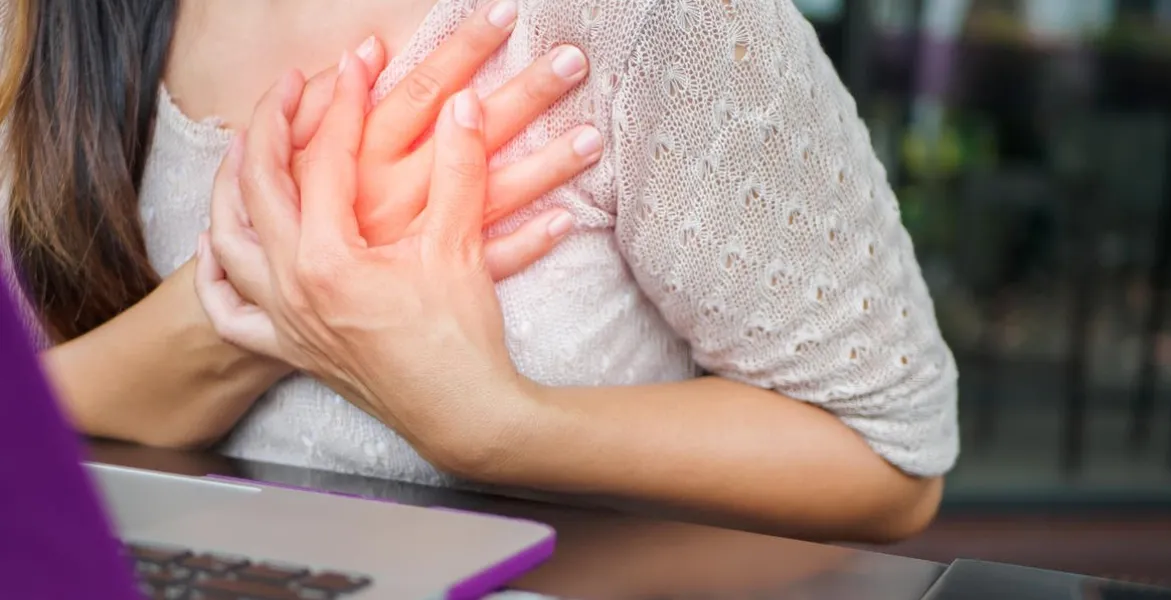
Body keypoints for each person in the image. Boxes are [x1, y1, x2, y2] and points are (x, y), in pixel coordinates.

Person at [4, 0, 959, 542]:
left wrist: (497, 429)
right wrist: (274, 281)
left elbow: (888, 459)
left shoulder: (657, 20)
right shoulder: (43, 26)